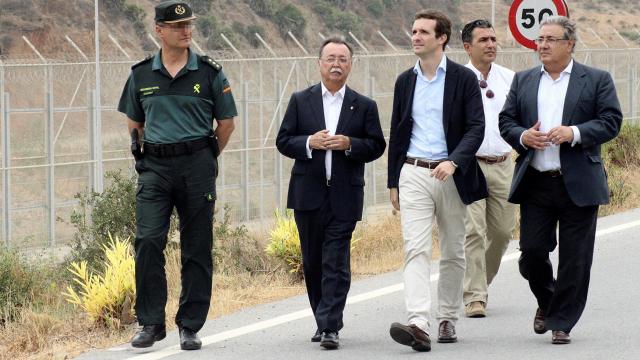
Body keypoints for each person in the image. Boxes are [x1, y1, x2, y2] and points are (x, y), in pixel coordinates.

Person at [117, 0, 237, 351]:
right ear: (159, 30)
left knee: (197, 246)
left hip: (197, 166)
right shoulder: (141, 74)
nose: (187, 31)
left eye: (189, 26)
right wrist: (146, 152)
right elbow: (133, 121)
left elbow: (227, 124)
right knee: (148, 240)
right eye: (178, 26)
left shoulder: (210, 73)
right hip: (155, 168)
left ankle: (190, 325)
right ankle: (151, 322)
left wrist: (206, 155)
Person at [499, 16, 622, 345]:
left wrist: (575, 133)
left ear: (569, 44)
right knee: (532, 253)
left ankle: (562, 321)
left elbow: (611, 121)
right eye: (540, 39)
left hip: (579, 182)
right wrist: (523, 136)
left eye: (550, 39)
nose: (542, 45)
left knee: (575, 258)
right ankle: (548, 300)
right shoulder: (524, 80)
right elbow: (506, 121)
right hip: (536, 182)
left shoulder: (595, 80)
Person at [276, 37, 386, 350]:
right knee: (312, 261)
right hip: (307, 194)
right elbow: (283, 140)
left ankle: (330, 325)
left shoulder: (364, 105)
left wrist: (350, 144)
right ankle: (321, 317)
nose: (336, 64)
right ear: (320, 63)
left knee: (335, 261)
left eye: (342, 59)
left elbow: (377, 145)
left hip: (345, 195)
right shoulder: (301, 100)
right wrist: (308, 143)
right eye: (330, 59)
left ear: (350, 65)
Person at [387, 9, 486, 352]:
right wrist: (393, 181)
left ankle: (447, 317)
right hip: (413, 171)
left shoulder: (462, 78)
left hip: (451, 175)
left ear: (441, 38)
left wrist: (455, 162)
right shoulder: (405, 81)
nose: (415, 37)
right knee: (415, 248)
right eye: (413, 31)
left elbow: (476, 128)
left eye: (423, 32)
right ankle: (417, 321)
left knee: (453, 250)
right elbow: (397, 132)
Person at [460, 19, 516, 318]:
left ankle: (479, 282)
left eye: (493, 39)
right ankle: (475, 297)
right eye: (484, 40)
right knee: (474, 231)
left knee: (503, 231)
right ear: (468, 46)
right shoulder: (455, 80)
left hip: (504, 163)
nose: (491, 44)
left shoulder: (510, 78)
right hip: (469, 165)